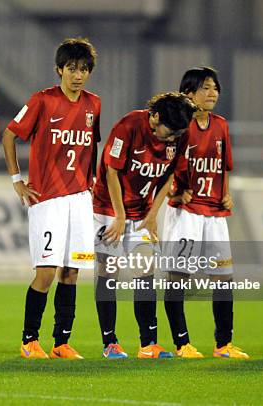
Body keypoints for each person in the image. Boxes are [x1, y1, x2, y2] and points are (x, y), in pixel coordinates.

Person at [3, 37, 101, 359]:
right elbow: (9, 135)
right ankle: (29, 341)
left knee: (72, 272)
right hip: (48, 199)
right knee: (46, 271)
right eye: (72, 68)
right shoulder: (42, 101)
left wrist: (93, 179)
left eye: (84, 69)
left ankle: (61, 343)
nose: (78, 75)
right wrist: (17, 180)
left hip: (79, 199)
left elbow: (92, 145)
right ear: (59, 69)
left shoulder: (93, 104)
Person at [93, 92, 197, 359]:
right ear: (155, 116)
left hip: (141, 212)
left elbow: (170, 172)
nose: (173, 138)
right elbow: (111, 171)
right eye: (169, 132)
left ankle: (148, 344)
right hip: (107, 208)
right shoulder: (128, 127)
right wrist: (118, 216)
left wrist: (153, 214)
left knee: (146, 272)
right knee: (109, 272)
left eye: (178, 134)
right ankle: (110, 343)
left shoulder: (179, 133)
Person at [161, 67, 248, 359]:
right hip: (186, 213)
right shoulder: (179, 127)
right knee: (179, 277)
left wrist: (225, 194)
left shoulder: (221, 125)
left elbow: (223, 165)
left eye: (215, 88)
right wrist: (175, 191)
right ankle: (181, 343)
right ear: (188, 93)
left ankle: (223, 344)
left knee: (223, 278)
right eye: (205, 88)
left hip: (214, 214)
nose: (212, 94)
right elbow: (165, 166)